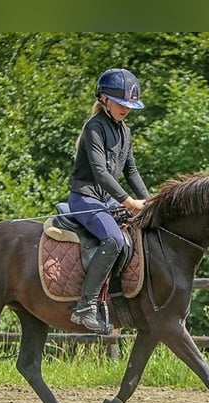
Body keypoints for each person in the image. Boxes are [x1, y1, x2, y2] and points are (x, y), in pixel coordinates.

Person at [67, 68, 150, 333]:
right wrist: (129, 202)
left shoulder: (125, 131)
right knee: (113, 239)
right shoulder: (94, 128)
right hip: (85, 199)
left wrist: (149, 201)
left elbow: (132, 171)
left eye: (130, 105)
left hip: (108, 202)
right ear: (104, 99)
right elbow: (101, 172)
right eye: (121, 103)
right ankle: (85, 306)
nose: (126, 109)